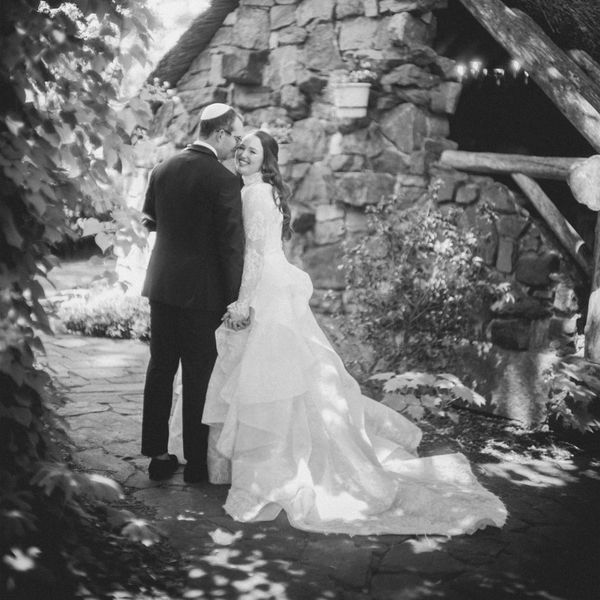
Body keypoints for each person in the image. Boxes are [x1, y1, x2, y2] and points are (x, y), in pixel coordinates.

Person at [178, 130, 507, 535]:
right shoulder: (257, 191)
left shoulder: (256, 194)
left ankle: (273, 469)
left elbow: (255, 255)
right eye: (242, 146)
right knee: (279, 379)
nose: (243, 153)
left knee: (268, 381)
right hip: (271, 285)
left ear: (266, 161)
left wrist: (244, 303)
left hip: (265, 290)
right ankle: (271, 459)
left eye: (253, 150)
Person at [140, 103, 246, 483]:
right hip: (203, 294)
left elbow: (150, 220)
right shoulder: (223, 180)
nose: (236, 144)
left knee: (160, 367)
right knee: (199, 375)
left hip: (163, 286)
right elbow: (231, 246)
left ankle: (157, 454)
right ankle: (197, 465)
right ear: (219, 134)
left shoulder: (162, 169)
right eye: (235, 135)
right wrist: (236, 297)